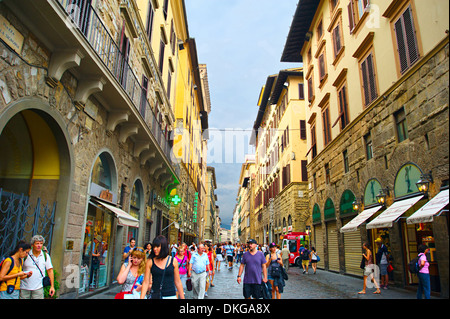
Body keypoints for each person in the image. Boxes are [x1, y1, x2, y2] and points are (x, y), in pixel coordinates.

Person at [20, 235, 55, 299]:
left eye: (41, 243)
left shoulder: (45, 256)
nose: (39, 245)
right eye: (37, 243)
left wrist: (52, 286)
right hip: (24, 287)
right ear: (32, 245)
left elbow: (50, 270)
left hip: (38, 288)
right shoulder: (26, 255)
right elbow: (19, 268)